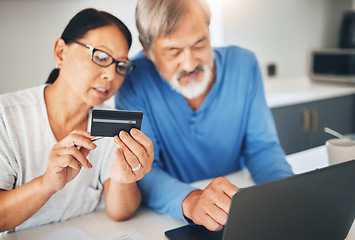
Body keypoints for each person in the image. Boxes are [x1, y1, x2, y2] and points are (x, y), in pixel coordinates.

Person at [115, 0, 294, 232]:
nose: (189, 64)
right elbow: (145, 169)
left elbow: (262, 148)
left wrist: (290, 192)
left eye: (200, 45)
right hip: (169, 219)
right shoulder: (132, 81)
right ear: (147, 48)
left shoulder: (244, 64)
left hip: (237, 207)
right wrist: (192, 200)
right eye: (173, 51)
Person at [0, 8, 154, 234]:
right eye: (101, 57)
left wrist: (123, 179)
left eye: (120, 66)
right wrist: (47, 184)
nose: (111, 76)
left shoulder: (109, 122)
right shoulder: (6, 115)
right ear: (61, 52)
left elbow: (120, 211)